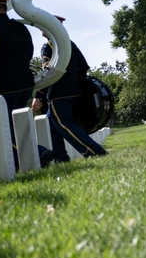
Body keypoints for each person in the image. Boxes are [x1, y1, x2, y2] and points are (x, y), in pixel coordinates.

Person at [0, 0, 56, 172]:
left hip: (2, 86)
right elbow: (29, 52)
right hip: (25, 84)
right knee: (17, 126)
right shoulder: (19, 27)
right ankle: (22, 164)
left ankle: (39, 153)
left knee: (2, 129)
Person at [31, 18, 108, 160]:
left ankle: (95, 151)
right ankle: (61, 159)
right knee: (52, 126)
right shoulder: (69, 44)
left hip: (58, 93)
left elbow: (48, 73)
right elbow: (83, 67)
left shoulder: (49, 46)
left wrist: (38, 95)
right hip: (75, 91)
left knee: (64, 125)